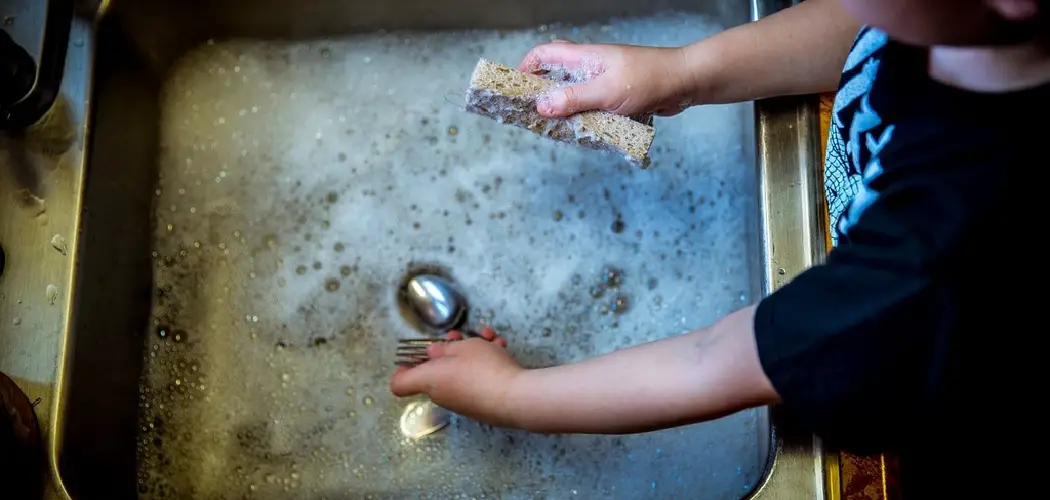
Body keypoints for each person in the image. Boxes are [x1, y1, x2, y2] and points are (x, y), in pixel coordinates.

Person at [392, 0, 1044, 495]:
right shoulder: (972, 32)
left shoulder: (943, 257)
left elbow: (719, 360)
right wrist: (683, 72)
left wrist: (512, 398)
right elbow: (860, 31)